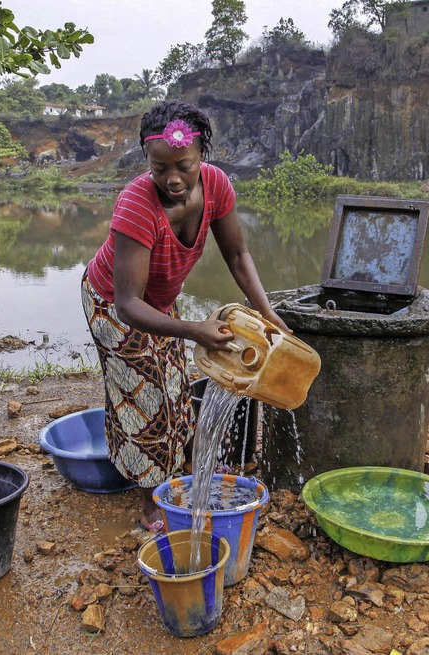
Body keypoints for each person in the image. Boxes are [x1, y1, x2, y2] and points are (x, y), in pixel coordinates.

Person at [81, 99, 287, 531]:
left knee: (174, 382)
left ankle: (187, 472)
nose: (173, 179)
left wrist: (267, 313)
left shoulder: (216, 185)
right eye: (159, 168)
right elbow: (128, 303)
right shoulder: (137, 206)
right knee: (145, 395)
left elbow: (236, 253)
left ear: (202, 157)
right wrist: (193, 329)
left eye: (184, 166)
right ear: (146, 159)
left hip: (157, 303)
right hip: (114, 303)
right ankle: (152, 502)